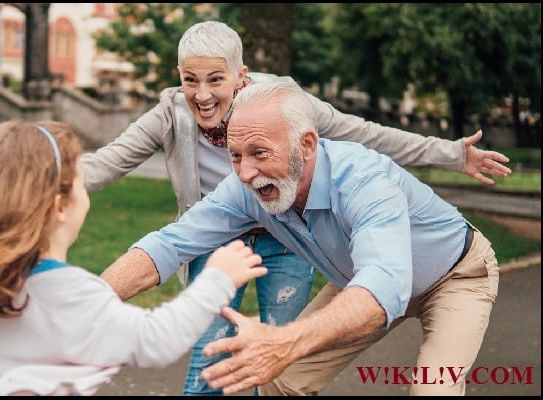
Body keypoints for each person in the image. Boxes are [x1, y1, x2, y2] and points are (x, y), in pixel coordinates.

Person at [86, 21, 511, 396]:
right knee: (278, 378)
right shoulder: (242, 184)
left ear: (306, 144)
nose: (247, 173)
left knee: (431, 386)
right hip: (358, 277)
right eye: (235, 156)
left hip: (454, 276)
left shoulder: (363, 180)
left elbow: (385, 285)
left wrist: (451, 153)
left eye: (259, 153)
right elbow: (168, 245)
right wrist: (85, 305)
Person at [0, 120, 268, 396]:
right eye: (81, 183)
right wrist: (216, 278)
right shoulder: (71, 294)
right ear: (60, 206)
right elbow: (155, 341)